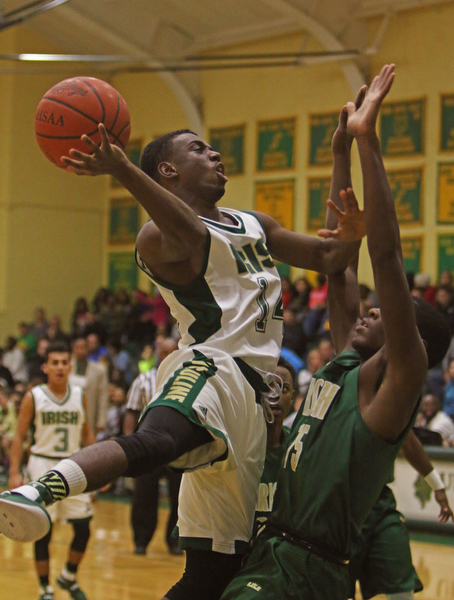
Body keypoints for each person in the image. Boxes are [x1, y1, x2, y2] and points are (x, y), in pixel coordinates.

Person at [0, 102, 364, 600]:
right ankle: (37, 491)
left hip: (257, 402)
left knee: (214, 575)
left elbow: (332, 255)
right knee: (157, 442)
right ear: (167, 171)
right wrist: (123, 168)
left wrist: (342, 152)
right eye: (199, 148)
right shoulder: (155, 238)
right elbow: (191, 232)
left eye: (212, 148)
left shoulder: (253, 223)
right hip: (212, 366)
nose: (214, 154)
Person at [221, 65, 452, 600]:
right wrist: (340, 154)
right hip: (270, 548)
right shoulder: (351, 356)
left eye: (387, 313)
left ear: (409, 341)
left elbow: (385, 255)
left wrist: (370, 142)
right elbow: (338, 258)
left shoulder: (392, 382)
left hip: (309, 568)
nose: (371, 310)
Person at [7, 341, 96, 600]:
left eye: (63, 362)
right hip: (42, 465)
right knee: (43, 530)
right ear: (45, 367)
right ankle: (45, 587)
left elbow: (87, 433)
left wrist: (100, 468)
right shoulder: (33, 396)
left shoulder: (80, 395)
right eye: (54, 363)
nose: (59, 367)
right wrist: (14, 471)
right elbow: (19, 436)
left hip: (73, 465)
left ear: (70, 366)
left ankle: (68, 576)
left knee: (83, 528)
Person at [348, 429, 453, 600]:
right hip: (341, 507)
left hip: (380, 504)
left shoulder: (390, 406)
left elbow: (408, 441)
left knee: (401, 583)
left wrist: (437, 485)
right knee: (339, 589)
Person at [123, 337, 182, 555]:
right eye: (163, 352)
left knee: (180, 498)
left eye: (171, 352)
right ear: (157, 353)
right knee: (144, 496)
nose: (166, 356)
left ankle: (174, 541)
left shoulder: (186, 378)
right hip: (147, 446)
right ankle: (141, 540)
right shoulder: (144, 379)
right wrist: (130, 446)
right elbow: (131, 411)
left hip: (177, 447)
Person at [255, 357, 295, 529]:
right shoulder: (241, 443)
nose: (275, 394)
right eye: (268, 386)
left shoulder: (299, 447)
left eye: (284, 388)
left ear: (292, 398)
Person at [69, 337, 109, 437]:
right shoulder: (67, 368)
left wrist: (101, 421)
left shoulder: (99, 370)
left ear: (87, 349)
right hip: (70, 413)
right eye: (77, 348)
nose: (80, 351)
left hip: (90, 413)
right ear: (73, 349)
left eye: (83, 348)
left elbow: (103, 396)